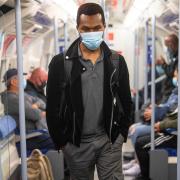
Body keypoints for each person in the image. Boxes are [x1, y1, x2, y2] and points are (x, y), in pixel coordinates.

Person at [46, 3, 132, 180]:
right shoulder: (60, 63)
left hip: (108, 140)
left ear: (103, 27)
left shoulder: (116, 61)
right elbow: (52, 107)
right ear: (78, 28)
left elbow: (126, 101)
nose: (92, 32)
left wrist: (121, 136)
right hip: (76, 144)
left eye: (96, 28)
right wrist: (62, 143)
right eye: (86, 28)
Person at [1, 68, 54, 154]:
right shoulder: (12, 99)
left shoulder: (21, 94)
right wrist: (36, 109)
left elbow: (41, 102)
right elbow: (36, 115)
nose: (24, 80)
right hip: (28, 136)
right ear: (13, 82)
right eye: (21, 78)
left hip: (35, 132)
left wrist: (35, 105)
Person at [156, 34, 178, 103]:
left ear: (171, 44)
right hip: (167, 91)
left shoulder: (177, 58)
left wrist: (163, 63)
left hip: (170, 91)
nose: (167, 49)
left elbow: (171, 72)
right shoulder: (173, 57)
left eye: (167, 46)